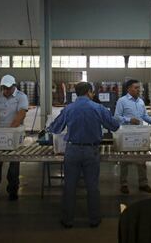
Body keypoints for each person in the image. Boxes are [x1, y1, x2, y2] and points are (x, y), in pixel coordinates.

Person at [48, 82, 120, 228]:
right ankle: (94, 219)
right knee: (92, 186)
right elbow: (114, 126)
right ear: (89, 92)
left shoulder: (68, 108)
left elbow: (55, 129)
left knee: (69, 186)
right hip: (91, 151)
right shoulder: (98, 108)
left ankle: (67, 220)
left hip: (72, 150)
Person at [114, 79, 151, 194]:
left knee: (141, 159)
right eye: (136, 88)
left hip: (140, 133)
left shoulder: (140, 101)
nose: (138, 90)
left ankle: (143, 183)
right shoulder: (122, 101)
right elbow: (116, 117)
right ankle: (124, 184)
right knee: (124, 159)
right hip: (126, 134)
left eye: (139, 88)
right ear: (129, 89)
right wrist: (129, 119)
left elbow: (145, 116)